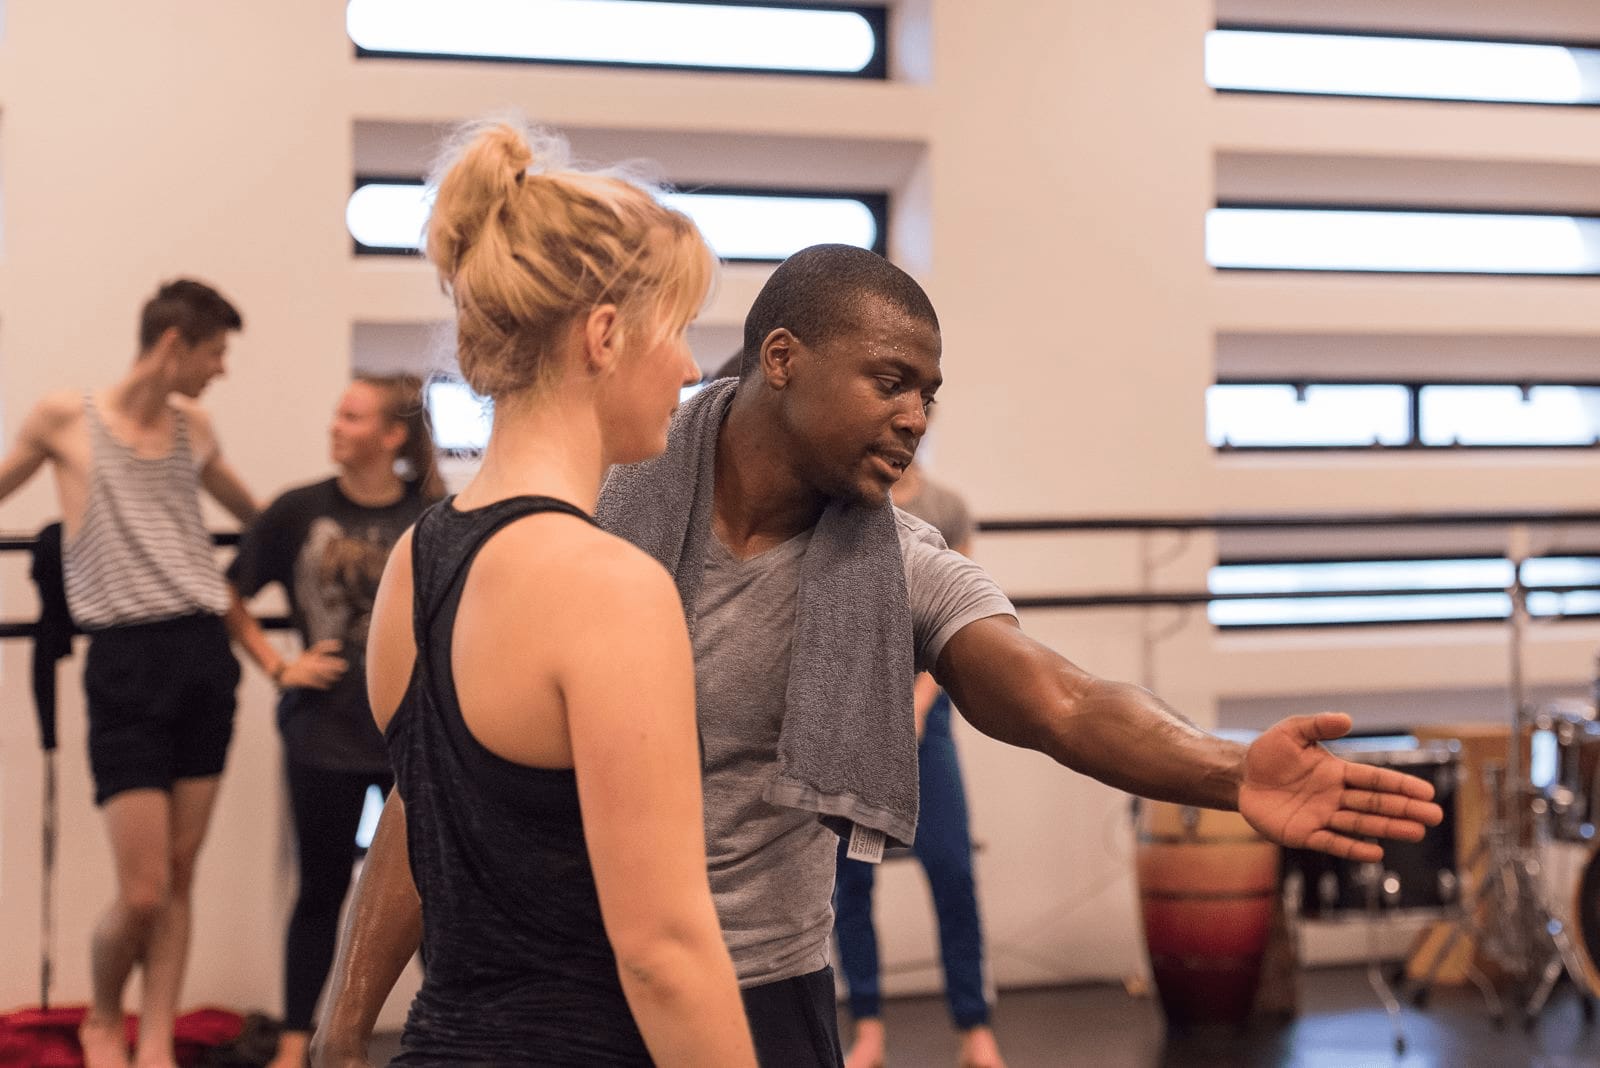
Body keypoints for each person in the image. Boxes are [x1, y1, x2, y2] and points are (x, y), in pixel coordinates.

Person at [312, 243, 1444, 1068]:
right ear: (784, 357)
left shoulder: (896, 562)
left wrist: (1221, 769)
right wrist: (340, 1026)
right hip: (559, 1000)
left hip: (758, 998)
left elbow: (1054, 696)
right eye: (890, 380)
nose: (914, 417)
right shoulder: (586, 512)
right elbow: (430, 786)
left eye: (929, 395)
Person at [326, 122, 757, 1066]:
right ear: (604, 336)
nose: (691, 369)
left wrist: (340, 1030)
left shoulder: (415, 562)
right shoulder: (608, 589)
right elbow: (664, 953)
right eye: (677, 331)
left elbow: (417, 821)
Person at [0, 279, 255, 1068]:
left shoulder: (196, 429)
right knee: (141, 890)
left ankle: (154, 1043)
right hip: (124, 663)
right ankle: (104, 1015)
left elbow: (259, 517)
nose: (220, 369)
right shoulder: (63, 420)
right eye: (215, 352)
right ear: (174, 342)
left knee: (181, 873)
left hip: (202, 655)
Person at [223, 374, 444, 1068]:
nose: (336, 427)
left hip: (412, 739)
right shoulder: (297, 511)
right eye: (337, 416)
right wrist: (278, 666)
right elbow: (228, 592)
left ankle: (444, 1035)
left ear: (392, 434)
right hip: (321, 733)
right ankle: (297, 1047)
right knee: (320, 890)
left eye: (352, 417)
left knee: (433, 896)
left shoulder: (435, 514)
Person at [833, 461, 1005, 1068]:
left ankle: (974, 1028)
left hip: (924, 721)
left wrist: (918, 699)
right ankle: (870, 1029)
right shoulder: (840, 501)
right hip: (849, 710)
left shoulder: (946, 507)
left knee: (952, 867)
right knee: (850, 879)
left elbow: (958, 615)